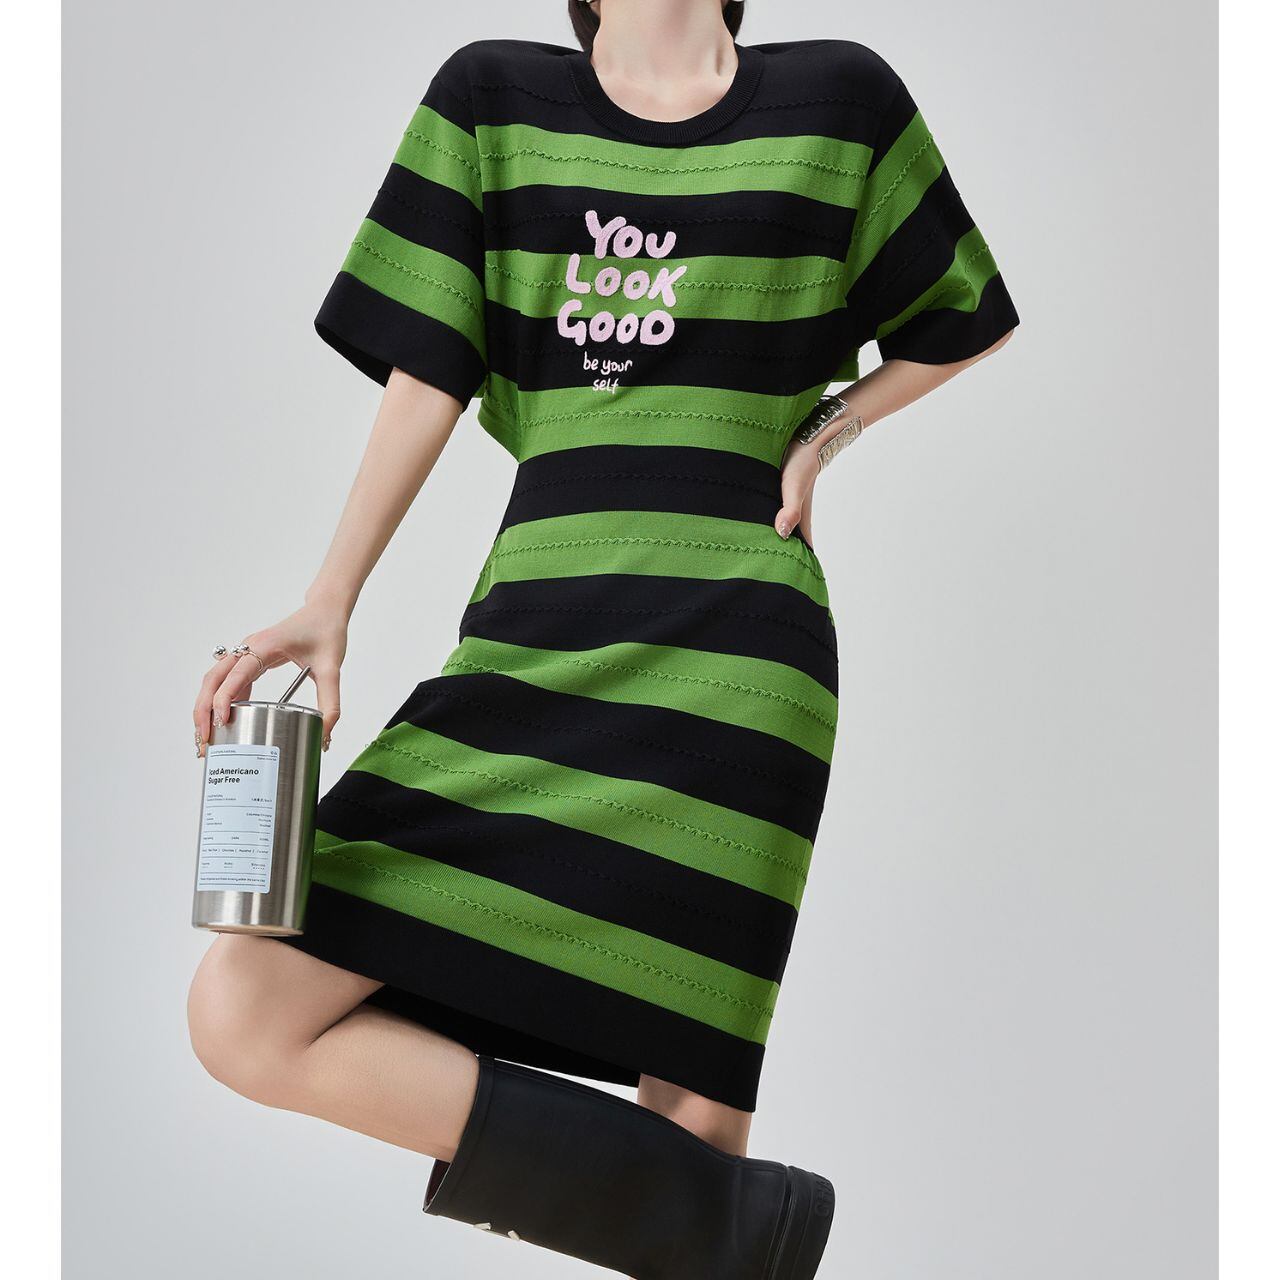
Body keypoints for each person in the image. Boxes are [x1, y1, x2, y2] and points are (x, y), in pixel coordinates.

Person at [186, 2, 1018, 1275]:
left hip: (738, 657)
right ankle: (743, 1231)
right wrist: (329, 595)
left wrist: (826, 429)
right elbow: (428, 369)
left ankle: (727, 1226)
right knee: (246, 1008)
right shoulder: (489, 99)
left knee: (688, 1080)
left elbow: (964, 315)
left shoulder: (840, 98)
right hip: (534, 631)